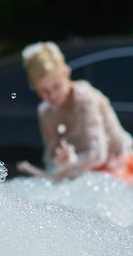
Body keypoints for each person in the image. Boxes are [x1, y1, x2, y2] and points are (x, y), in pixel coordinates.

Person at [17, 41, 133, 182]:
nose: (52, 95)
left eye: (57, 87)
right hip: (87, 175)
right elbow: (50, 157)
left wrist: (65, 168)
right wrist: (60, 161)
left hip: (122, 164)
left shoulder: (84, 98)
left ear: (67, 73)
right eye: (44, 91)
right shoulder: (45, 111)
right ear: (34, 87)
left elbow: (98, 154)